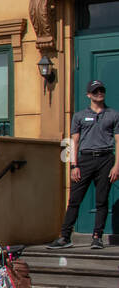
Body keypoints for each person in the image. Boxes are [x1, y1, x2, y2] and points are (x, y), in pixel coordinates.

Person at [49, 79, 119, 250]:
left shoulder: (113, 115)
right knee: (74, 200)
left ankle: (97, 237)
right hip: (84, 160)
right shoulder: (79, 116)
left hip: (106, 159)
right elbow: (74, 141)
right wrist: (74, 165)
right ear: (89, 95)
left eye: (101, 90)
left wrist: (117, 165)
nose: (99, 93)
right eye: (95, 91)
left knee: (102, 200)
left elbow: (118, 141)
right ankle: (65, 237)